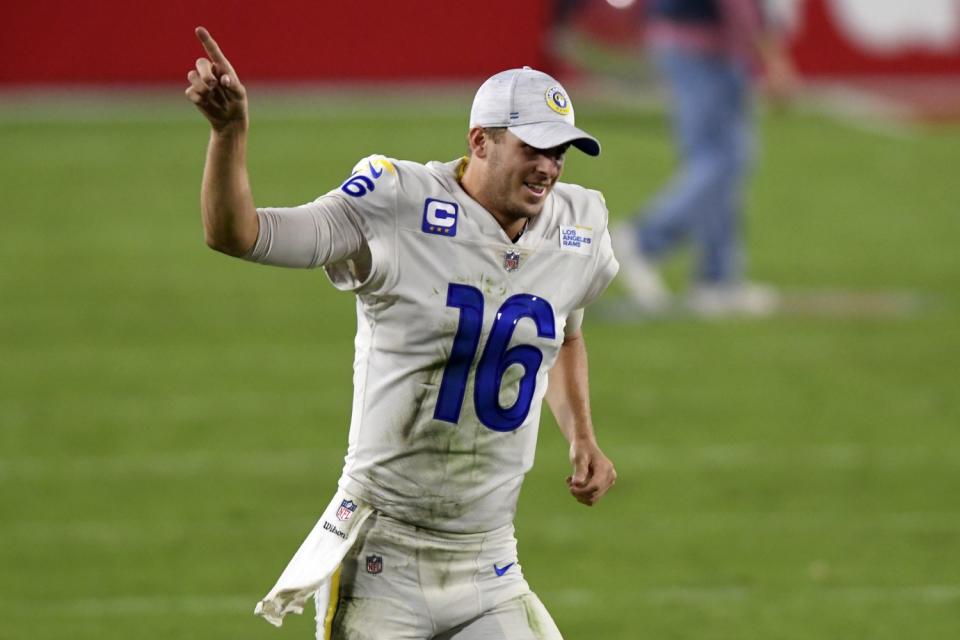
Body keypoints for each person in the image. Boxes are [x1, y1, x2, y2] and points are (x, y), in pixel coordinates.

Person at [185, 26, 619, 640]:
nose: (548, 167)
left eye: (560, 152)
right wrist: (228, 135)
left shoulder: (578, 224)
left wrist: (582, 436)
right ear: (482, 142)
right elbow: (242, 235)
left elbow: (565, 331)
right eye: (533, 147)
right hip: (382, 554)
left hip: (491, 559)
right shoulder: (398, 201)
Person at [613, 0, 797, 316]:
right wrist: (772, 59)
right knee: (724, 160)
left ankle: (718, 279)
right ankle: (644, 240)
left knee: (715, 159)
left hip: (688, 38)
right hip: (705, 45)